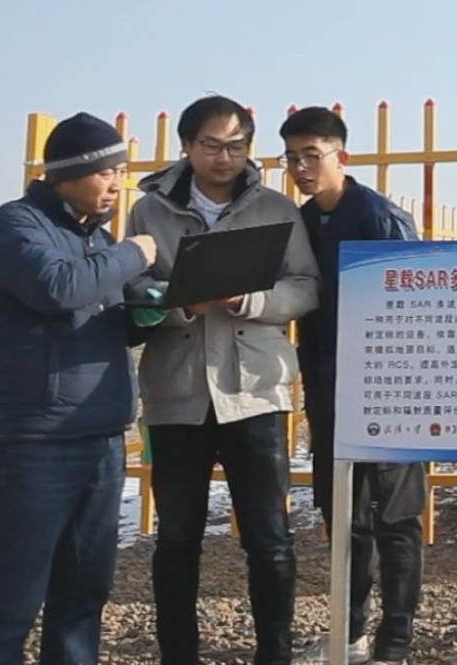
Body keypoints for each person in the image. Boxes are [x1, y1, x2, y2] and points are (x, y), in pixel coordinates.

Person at [126, 95, 319, 665]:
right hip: (176, 393)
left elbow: (306, 285)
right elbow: (134, 293)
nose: (224, 157)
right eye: (211, 145)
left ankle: (274, 654)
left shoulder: (275, 208)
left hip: (255, 391)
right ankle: (178, 654)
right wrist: (183, 302)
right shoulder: (150, 211)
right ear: (187, 146)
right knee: (177, 538)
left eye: (237, 145)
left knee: (269, 536)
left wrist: (248, 299)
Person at [0, 112, 159, 665]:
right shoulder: (14, 226)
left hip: (102, 437)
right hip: (37, 441)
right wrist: (134, 253)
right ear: (68, 173)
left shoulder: (95, 238)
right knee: (13, 598)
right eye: (107, 172)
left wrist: (148, 313)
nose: (117, 184)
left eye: (121, 172)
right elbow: (58, 287)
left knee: (82, 596)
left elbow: (105, 320)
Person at [280, 106, 425, 665]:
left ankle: (396, 640)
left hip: (391, 390)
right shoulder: (300, 223)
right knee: (343, 514)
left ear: (341, 155)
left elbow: (414, 305)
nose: (301, 167)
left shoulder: (380, 218)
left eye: (311, 155)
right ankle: (350, 631)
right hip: (329, 390)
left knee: (396, 518)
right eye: (292, 158)